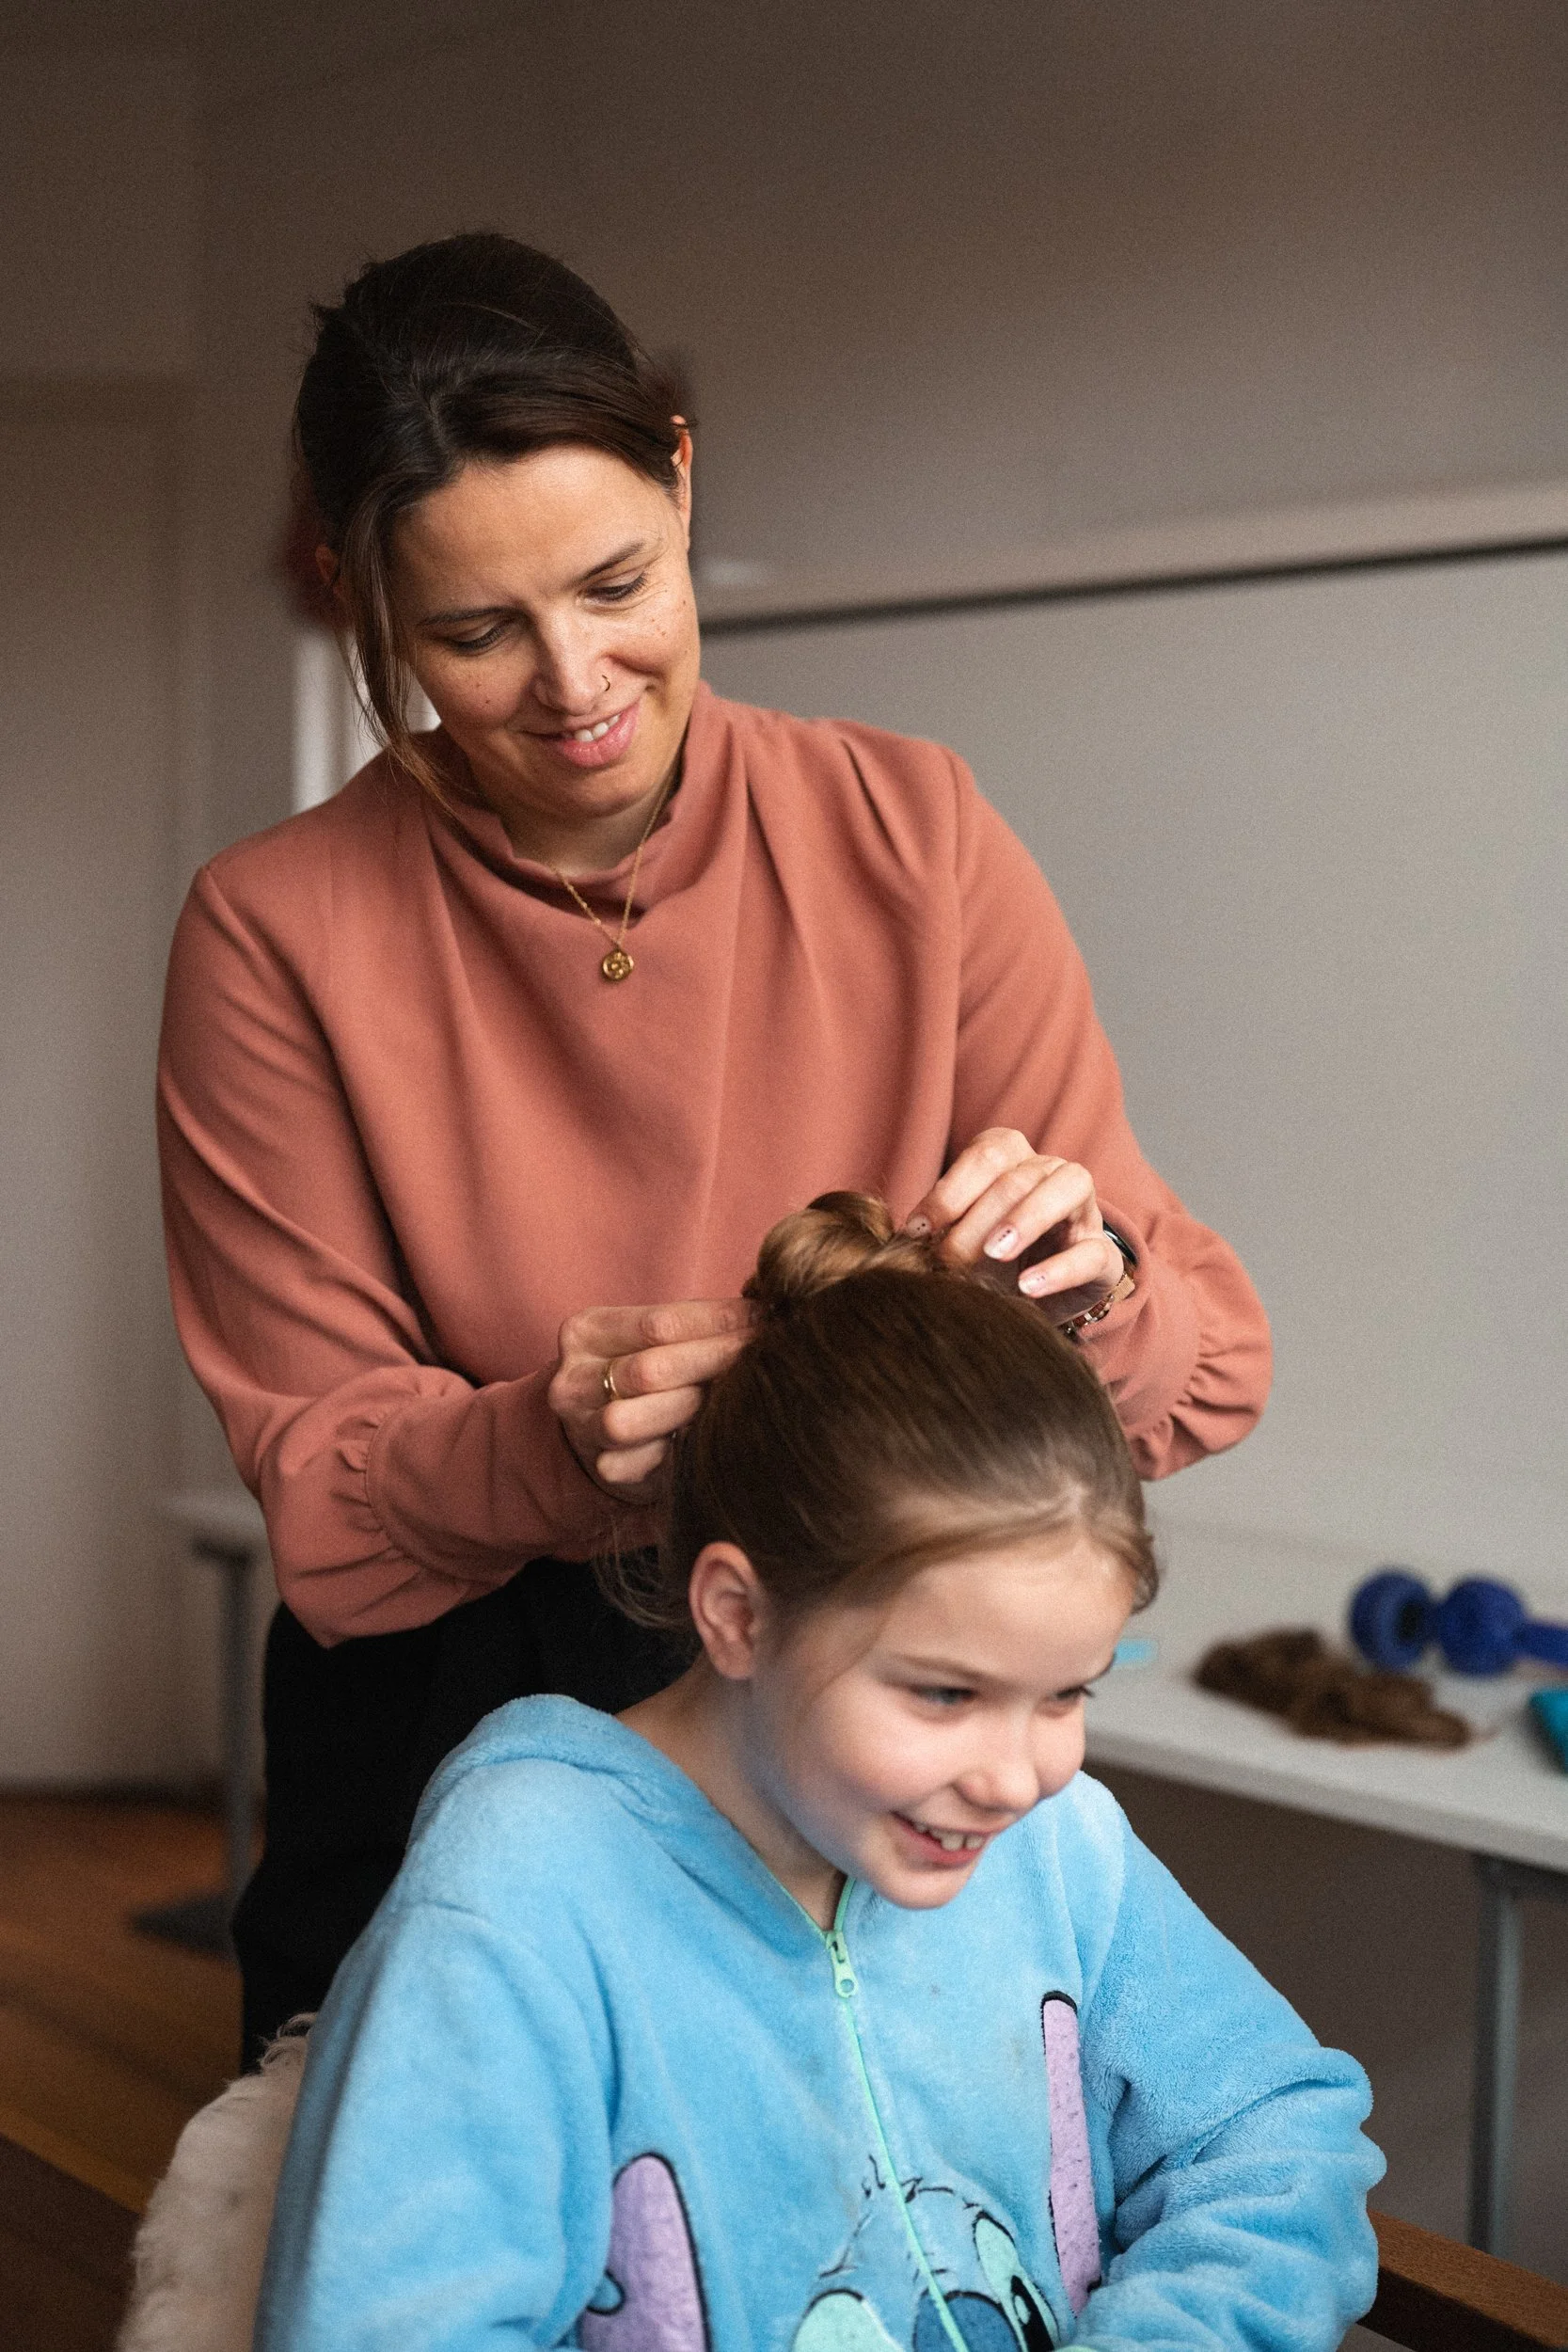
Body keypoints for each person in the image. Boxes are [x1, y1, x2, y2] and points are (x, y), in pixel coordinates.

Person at [157, 233, 1274, 2062]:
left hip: (863, 1722)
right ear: (358, 600)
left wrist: (1087, 1290)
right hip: (451, 1730)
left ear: (678, 470)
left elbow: (1198, 1364)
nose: (572, 681)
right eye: (469, 632)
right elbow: (330, 1506)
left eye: (617, 581)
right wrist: (541, 1435)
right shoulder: (274, 930)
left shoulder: (910, 832)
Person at [254, 1196, 1378, 2352]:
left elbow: (1273, 2138)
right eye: (944, 1693)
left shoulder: (1060, 1848)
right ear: (737, 1615)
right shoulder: (521, 1891)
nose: (1014, 1777)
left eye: (1064, 1692)